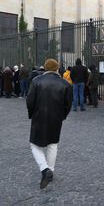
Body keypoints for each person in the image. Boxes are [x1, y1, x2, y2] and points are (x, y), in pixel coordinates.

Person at [26, 59, 72, 189]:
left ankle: (45, 169)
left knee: (34, 144)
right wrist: (62, 116)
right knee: (53, 144)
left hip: (38, 116)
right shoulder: (65, 84)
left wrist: (31, 113)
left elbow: (29, 101)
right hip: (56, 117)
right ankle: (50, 170)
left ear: (45, 69)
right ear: (57, 69)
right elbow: (68, 104)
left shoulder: (36, 81)